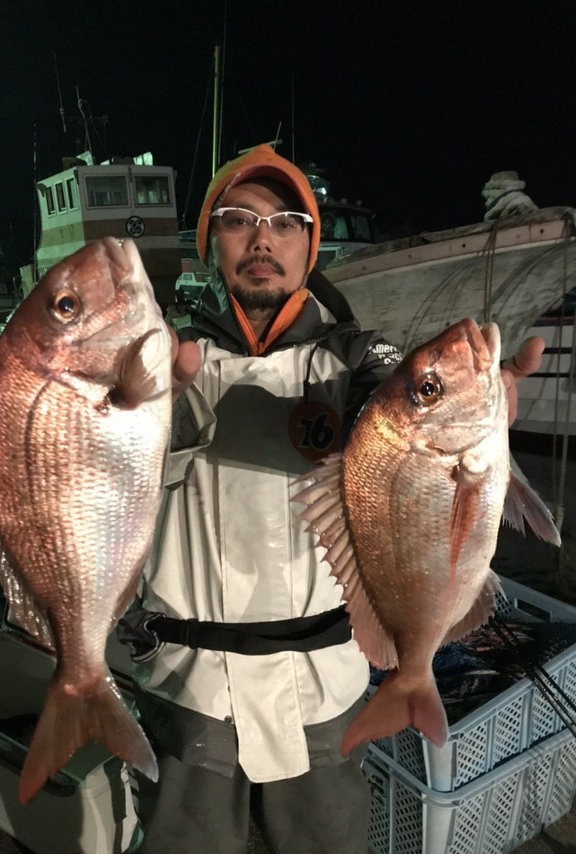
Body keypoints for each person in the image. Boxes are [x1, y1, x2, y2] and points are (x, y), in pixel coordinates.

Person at [120, 144, 543, 854]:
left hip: (322, 684)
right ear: (211, 244)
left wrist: (478, 412)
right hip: (185, 684)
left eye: (286, 222)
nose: (262, 239)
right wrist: (153, 401)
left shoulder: (358, 360)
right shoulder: (163, 358)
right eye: (238, 220)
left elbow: (393, 417)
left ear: (309, 244)